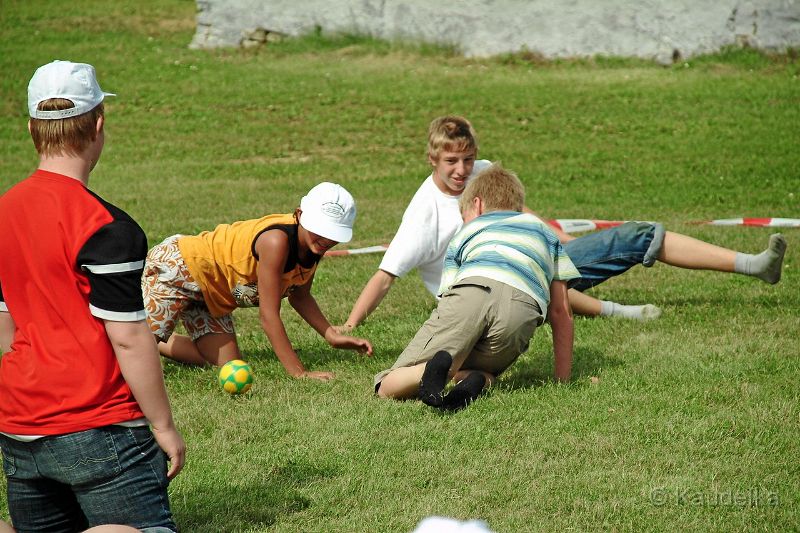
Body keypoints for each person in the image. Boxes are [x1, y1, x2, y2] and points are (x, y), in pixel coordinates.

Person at [341, 115, 787, 329]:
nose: (462, 170)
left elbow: (518, 211)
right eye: (452, 162)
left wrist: (560, 238)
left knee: (633, 237)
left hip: (527, 268)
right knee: (631, 236)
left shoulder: (482, 172)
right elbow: (385, 276)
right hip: (485, 297)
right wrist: (349, 326)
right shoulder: (423, 214)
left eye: (469, 159)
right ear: (433, 159)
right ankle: (623, 311)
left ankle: (752, 265)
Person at [0, 60, 184, 531]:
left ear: (31, 129)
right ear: (99, 124)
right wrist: (162, 426)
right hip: (101, 427)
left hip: (19, 426)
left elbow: (4, 326)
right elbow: (129, 339)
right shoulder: (107, 227)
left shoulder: (4, 213)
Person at [375, 164, 578, 409]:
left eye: (464, 215)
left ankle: (432, 369)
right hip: (523, 309)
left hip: (473, 290)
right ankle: (476, 381)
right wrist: (562, 380)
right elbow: (561, 312)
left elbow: (451, 297)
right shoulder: (545, 233)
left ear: (478, 205)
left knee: (387, 385)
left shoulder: (468, 231)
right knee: (489, 375)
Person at [142, 182, 373, 381]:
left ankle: (161, 339)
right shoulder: (276, 241)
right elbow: (268, 315)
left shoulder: (314, 246)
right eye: (320, 230)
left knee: (228, 365)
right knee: (135, 350)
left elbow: (300, 296)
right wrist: (298, 373)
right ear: (300, 215)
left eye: (334, 233)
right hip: (178, 267)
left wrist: (331, 335)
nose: (326, 239)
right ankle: (146, 335)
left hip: (212, 292)